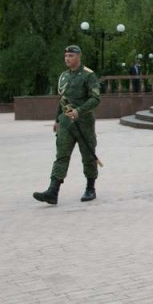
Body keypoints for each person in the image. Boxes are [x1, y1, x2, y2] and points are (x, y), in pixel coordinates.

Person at [33, 45, 101, 205]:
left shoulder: (88, 76)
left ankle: (90, 188)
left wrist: (79, 111)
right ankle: (53, 191)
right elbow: (62, 100)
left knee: (88, 156)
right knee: (61, 156)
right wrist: (57, 119)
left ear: (78, 56)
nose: (67, 59)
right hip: (66, 124)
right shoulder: (64, 76)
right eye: (66, 56)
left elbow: (96, 99)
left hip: (83, 123)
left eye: (70, 56)